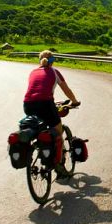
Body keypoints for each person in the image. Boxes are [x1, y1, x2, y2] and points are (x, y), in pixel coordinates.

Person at [23, 50, 80, 178]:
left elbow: (37, 91)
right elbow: (67, 90)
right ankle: (59, 166)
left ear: (40, 61)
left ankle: (41, 147)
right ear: (52, 61)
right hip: (45, 104)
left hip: (27, 104)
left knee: (39, 128)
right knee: (58, 132)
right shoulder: (54, 72)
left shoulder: (33, 72)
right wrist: (75, 101)